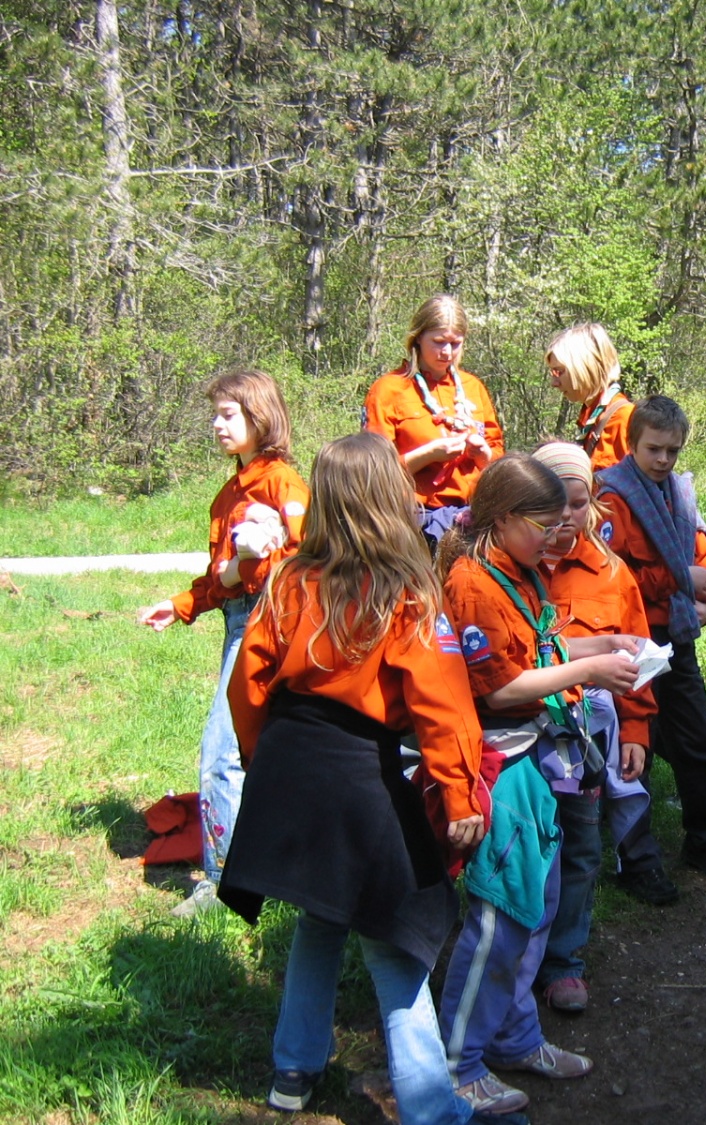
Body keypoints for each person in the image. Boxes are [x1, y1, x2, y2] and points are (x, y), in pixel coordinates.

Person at [216, 432, 523, 1125]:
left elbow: (248, 683)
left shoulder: (289, 579)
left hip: (290, 766)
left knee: (322, 915)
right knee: (397, 938)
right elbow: (442, 701)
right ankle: (432, 1108)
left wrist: (264, 760)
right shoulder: (408, 593)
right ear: (391, 497)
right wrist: (456, 787)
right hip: (356, 773)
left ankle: (292, 1069)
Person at [438, 454, 642, 1114]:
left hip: (536, 761)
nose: (560, 536)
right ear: (502, 519)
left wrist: (604, 643)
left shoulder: (520, 572)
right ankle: (458, 1061)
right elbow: (499, 685)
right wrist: (592, 674)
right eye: (546, 524)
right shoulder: (473, 585)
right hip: (499, 765)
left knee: (539, 904)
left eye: (564, 522)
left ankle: (515, 1036)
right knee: (501, 915)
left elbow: (542, 651)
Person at [137, 369, 308, 918]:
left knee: (223, 753)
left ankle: (222, 883)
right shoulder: (226, 495)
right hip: (239, 621)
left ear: (260, 415)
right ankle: (261, 868)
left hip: (271, 624)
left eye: (227, 413)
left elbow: (307, 564)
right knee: (253, 749)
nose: (216, 424)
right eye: (214, 413)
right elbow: (222, 577)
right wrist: (184, 604)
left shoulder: (284, 485)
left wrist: (255, 563)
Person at [530, 441, 678, 1013]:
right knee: (530, 851)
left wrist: (636, 733)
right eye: (553, 506)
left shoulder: (612, 574)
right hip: (526, 733)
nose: (565, 519)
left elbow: (639, 659)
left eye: (576, 504)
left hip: (589, 740)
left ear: (593, 505)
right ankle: (520, 953)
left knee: (582, 849)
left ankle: (564, 962)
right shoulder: (516, 568)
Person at [596, 396, 706, 883]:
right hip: (633, 636)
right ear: (631, 444)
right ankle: (637, 854)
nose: (663, 460)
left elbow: (703, 559)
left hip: (677, 634)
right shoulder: (611, 498)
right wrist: (678, 581)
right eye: (654, 449)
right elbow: (616, 576)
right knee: (637, 743)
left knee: (696, 737)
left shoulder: (681, 495)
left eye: (672, 451)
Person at [364, 295, 505, 548]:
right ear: (418, 337)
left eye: (455, 343)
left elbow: (498, 456)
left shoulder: (473, 387)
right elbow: (373, 469)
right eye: (438, 342)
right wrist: (428, 454)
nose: (447, 352)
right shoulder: (389, 390)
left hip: (472, 517)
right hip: (416, 519)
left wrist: (483, 454)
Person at [546, 323, 634, 471]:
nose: (554, 383)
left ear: (586, 367)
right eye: (552, 373)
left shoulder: (623, 418)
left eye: (559, 371)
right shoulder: (590, 414)